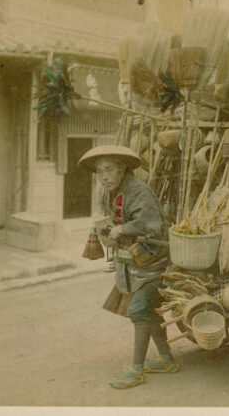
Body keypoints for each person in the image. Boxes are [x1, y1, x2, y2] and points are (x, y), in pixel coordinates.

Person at [78, 145, 178, 389]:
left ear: (122, 169)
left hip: (153, 261)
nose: (104, 176)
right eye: (99, 171)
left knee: (140, 309)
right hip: (133, 262)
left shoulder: (139, 192)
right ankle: (167, 360)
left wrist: (122, 229)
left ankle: (136, 370)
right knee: (150, 311)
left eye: (109, 169)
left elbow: (152, 225)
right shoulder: (115, 192)